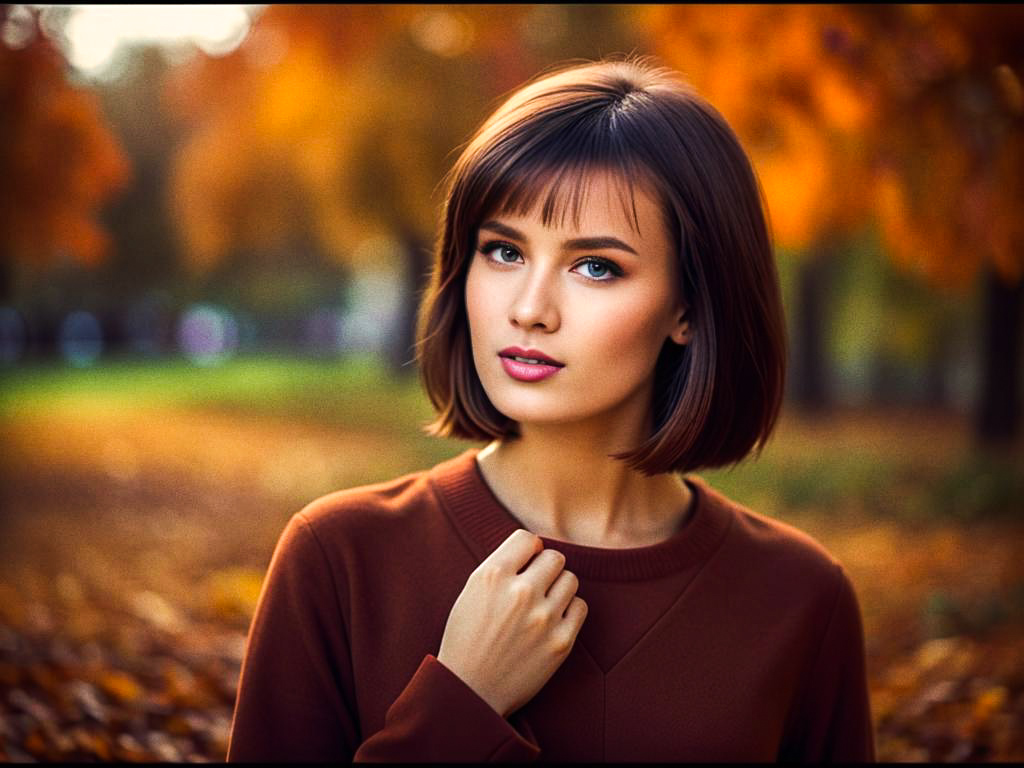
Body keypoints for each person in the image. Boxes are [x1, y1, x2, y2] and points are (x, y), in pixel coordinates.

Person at [226, 55, 875, 762]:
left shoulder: (801, 598)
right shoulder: (338, 559)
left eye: (595, 266)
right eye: (502, 251)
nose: (529, 309)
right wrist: (461, 704)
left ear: (688, 307)